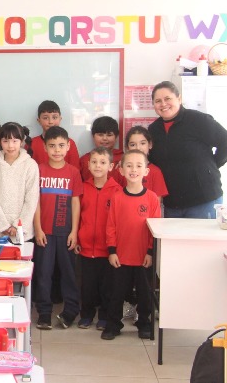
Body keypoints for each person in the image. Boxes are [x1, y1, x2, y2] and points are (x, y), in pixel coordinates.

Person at [148, 81, 227, 219]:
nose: (163, 104)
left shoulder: (198, 120)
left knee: (202, 234)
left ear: (179, 98)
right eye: (158, 101)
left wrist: (211, 167)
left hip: (203, 199)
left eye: (168, 98)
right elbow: (152, 160)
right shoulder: (153, 129)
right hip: (172, 203)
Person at [102, 149, 161, 340]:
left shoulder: (152, 198)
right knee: (116, 293)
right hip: (121, 257)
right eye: (129, 165)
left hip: (144, 257)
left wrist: (150, 252)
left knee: (145, 293)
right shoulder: (117, 197)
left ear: (146, 171)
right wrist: (112, 251)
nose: (133, 169)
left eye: (138, 165)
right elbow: (111, 226)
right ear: (121, 170)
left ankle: (144, 323)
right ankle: (113, 325)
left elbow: (155, 229)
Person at [34, 126, 83, 330]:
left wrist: (74, 231)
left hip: (65, 232)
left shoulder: (73, 172)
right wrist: (37, 229)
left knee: (69, 274)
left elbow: (76, 202)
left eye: (61, 145)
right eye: (52, 146)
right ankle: (44, 313)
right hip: (44, 232)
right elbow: (34, 202)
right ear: (45, 148)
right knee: (43, 274)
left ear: (68, 146)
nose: (57, 150)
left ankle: (70, 311)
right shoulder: (38, 170)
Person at [77, 147, 121, 330]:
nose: (98, 166)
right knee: (87, 286)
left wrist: (115, 247)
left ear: (111, 166)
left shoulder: (117, 190)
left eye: (103, 162)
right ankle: (86, 315)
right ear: (88, 165)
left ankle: (104, 316)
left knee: (107, 286)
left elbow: (118, 222)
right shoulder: (83, 188)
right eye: (94, 162)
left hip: (107, 249)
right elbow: (77, 215)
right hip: (86, 247)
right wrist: (78, 238)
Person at [0, 122, 39, 240]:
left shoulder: (30, 165)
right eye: (5, 141)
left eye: (15, 141)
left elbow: (32, 198)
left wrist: (18, 225)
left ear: (22, 141)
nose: (10, 145)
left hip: (22, 232)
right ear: (0, 141)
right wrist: (2, 226)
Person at [115, 126, 169, 203]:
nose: (138, 148)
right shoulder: (122, 169)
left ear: (150, 145)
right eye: (133, 144)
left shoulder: (156, 171)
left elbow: (156, 202)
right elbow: (115, 196)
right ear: (127, 148)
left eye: (142, 143)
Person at [31, 100, 80, 169]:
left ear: (60, 119)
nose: (50, 122)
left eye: (54, 117)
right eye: (45, 118)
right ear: (39, 121)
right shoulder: (31, 143)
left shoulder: (69, 143)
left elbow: (75, 170)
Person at [79, 116, 122, 183]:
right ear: (93, 136)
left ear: (116, 137)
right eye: (100, 135)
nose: (104, 138)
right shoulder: (84, 160)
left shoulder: (123, 159)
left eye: (109, 135)